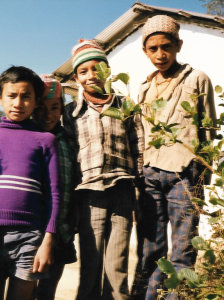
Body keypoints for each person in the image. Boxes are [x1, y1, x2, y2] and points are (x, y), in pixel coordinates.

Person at [130, 15, 216, 300]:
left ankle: (177, 297)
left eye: (166, 46)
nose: (160, 54)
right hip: (150, 175)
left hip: (184, 174)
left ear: (178, 45)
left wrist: (202, 178)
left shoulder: (196, 79)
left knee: (183, 248)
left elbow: (208, 130)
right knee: (151, 247)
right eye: (152, 49)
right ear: (145, 51)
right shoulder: (143, 88)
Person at [63, 40, 144, 300]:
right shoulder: (71, 114)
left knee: (117, 268)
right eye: (83, 71)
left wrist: (139, 192)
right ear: (76, 78)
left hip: (122, 192)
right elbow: (70, 159)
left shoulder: (125, 107)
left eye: (97, 68)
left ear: (108, 71)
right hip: (89, 197)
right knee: (90, 267)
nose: (91, 75)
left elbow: (138, 149)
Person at [0, 66, 60, 300]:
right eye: (11, 95)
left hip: (30, 237)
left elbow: (54, 194)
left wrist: (48, 240)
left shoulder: (45, 140)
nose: (18, 103)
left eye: (25, 96)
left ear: (36, 100)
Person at [32, 75, 77, 300]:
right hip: (31, 233)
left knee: (47, 292)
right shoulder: (28, 140)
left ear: (61, 108)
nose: (47, 114)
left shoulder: (69, 141)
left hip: (62, 232)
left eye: (54, 107)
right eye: (40, 108)